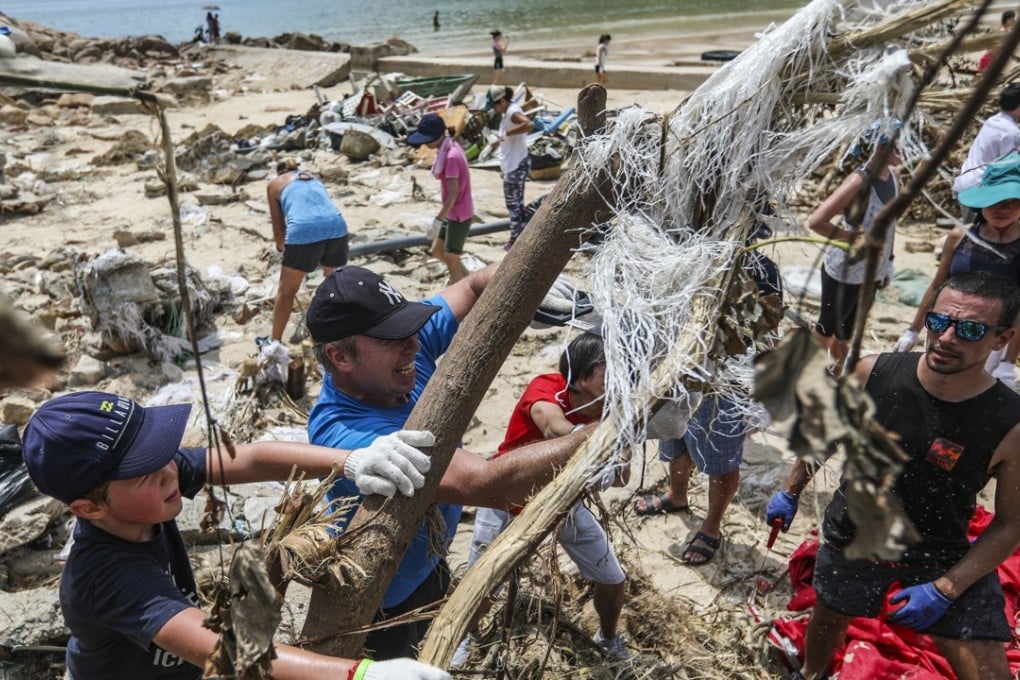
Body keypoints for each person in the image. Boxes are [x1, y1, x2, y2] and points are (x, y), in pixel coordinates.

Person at [21, 390, 451, 680]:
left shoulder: (149, 487)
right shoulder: (108, 576)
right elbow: (222, 648)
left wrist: (353, 461)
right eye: (145, 472)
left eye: (162, 455)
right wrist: (362, 674)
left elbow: (251, 459)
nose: (170, 470)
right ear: (89, 508)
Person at [305, 264, 591, 659]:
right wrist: (608, 430)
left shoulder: (392, 357)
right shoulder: (345, 431)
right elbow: (488, 485)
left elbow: (472, 287)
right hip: (381, 602)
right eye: (393, 338)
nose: (414, 345)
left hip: (429, 561)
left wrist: (529, 280)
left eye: (409, 328)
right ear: (340, 357)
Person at [766, 271, 1020, 680]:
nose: (947, 338)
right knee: (829, 618)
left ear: (1002, 339)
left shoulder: (1010, 424)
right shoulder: (873, 373)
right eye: (938, 322)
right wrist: (791, 491)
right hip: (855, 538)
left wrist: (947, 589)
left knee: (990, 671)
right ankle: (810, 674)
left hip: (940, 555)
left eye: (970, 329)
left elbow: (1011, 523)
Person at [454, 332, 631, 666]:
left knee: (612, 579)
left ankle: (607, 637)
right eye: (608, 371)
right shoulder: (546, 388)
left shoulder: (613, 406)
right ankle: (466, 636)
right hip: (506, 498)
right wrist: (600, 438)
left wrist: (620, 452)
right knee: (484, 583)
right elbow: (553, 428)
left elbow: (622, 478)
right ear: (580, 379)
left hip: (564, 500)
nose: (618, 378)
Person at [635, 249, 783, 566]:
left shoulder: (759, 269)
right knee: (674, 440)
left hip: (724, 380)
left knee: (720, 461)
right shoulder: (682, 255)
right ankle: (677, 496)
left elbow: (768, 333)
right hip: (675, 371)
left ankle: (712, 527)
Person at [895, 152, 1020, 388]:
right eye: (995, 201)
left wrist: (1008, 361)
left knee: (968, 393)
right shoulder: (959, 236)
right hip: (944, 327)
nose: (1003, 209)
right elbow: (936, 286)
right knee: (934, 382)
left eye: (1013, 202)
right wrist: (912, 331)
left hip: (986, 336)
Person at [808, 121, 900, 375]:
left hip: (872, 271)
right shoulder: (858, 182)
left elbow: (890, 227)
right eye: (895, 145)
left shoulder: (894, 176)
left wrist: (888, 261)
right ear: (880, 148)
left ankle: (838, 378)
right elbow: (817, 221)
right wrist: (854, 237)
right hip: (845, 271)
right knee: (826, 330)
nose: (900, 150)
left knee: (846, 333)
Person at [265, 159, 349, 348]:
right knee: (334, 286)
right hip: (337, 226)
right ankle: (339, 336)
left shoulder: (274, 184)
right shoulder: (313, 179)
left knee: (286, 292)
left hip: (303, 231)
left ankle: (275, 342)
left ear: (279, 173)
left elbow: (279, 230)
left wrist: (281, 250)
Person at [408, 114, 474, 284]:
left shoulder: (451, 156)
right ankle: (469, 280)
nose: (425, 144)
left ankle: (458, 292)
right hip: (451, 213)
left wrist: (437, 220)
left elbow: (453, 194)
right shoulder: (448, 148)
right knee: (437, 251)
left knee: (452, 258)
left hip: (459, 214)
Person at [951, 83, 1020, 222]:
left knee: (972, 233)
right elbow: (1008, 168)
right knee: (981, 236)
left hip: (965, 184)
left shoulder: (993, 121)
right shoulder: (1011, 132)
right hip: (981, 190)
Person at [486, 85, 532, 251]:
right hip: (514, 163)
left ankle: (515, 241)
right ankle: (520, 237)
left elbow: (527, 124)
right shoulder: (508, 112)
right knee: (516, 204)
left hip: (516, 164)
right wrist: (499, 140)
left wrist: (508, 133)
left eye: (495, 105)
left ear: (503, 101)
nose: (494, 109)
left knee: (513, 204)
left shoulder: (512, 111)